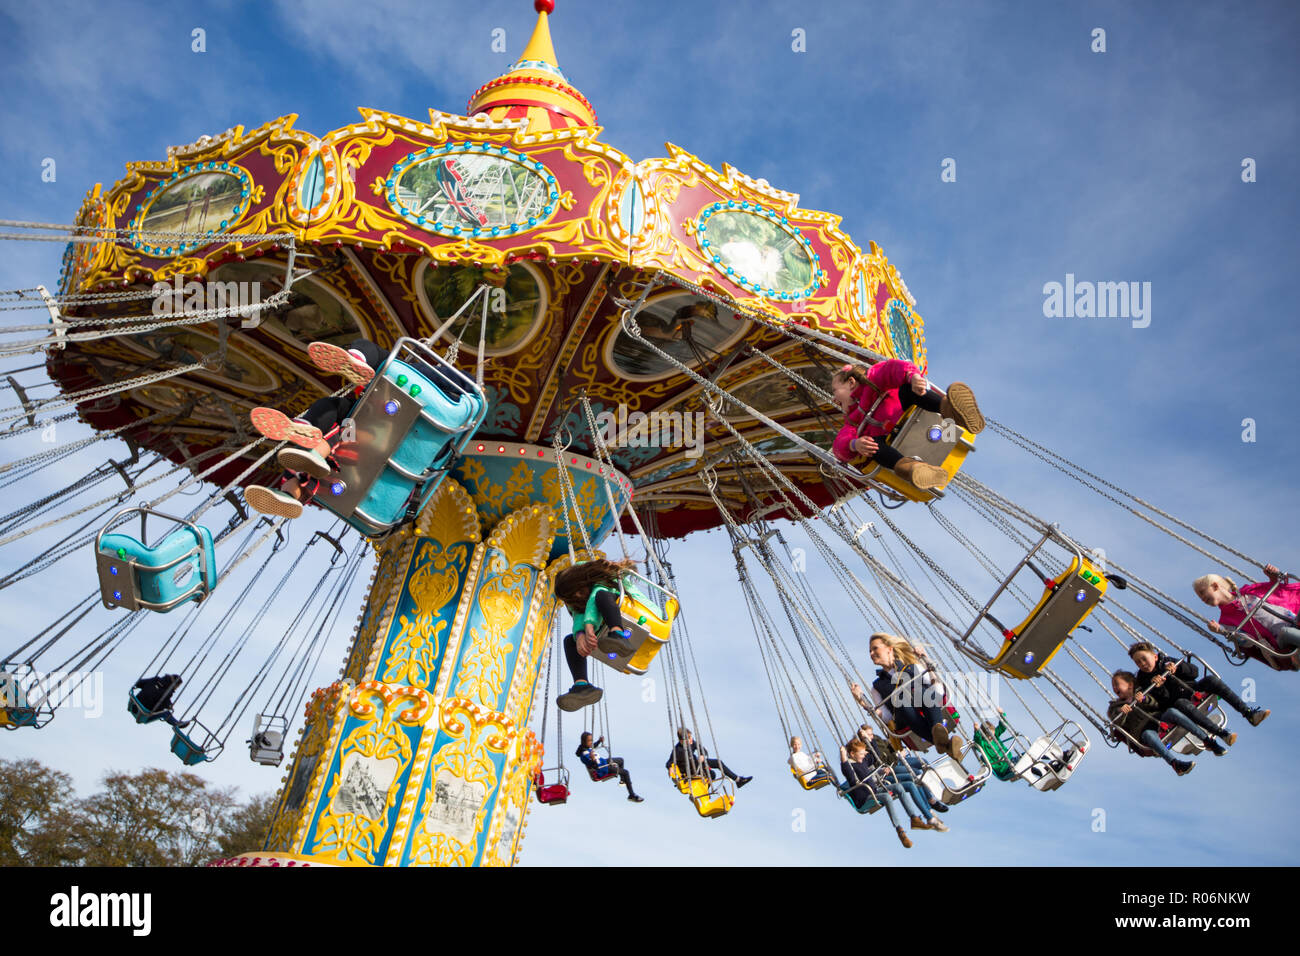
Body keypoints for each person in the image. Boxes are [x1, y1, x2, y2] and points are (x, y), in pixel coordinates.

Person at [245, 339, 383, 520]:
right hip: (354, 447)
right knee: (334, 414)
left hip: (370, 433)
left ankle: (358, 357)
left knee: (340, 418)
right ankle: (292, 489)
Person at [829, 361, 984, 491]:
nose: (833, 399)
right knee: (873, 447)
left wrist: (913, 376)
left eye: (834, 391)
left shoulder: (873, 380)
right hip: (890, 439)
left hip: (904, 411)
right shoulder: (852, 421)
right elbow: (839, 445)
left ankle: (954, 411)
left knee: (909, 389)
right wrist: (854, 444)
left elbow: (891, 369)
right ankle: (913, 469)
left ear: (851, 382)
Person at [851, 632, 965, 762]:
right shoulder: (877, 687)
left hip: (928, 704)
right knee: (901, 702)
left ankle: (942, 742)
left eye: (875, 648)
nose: (871, 653)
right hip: (906, 718)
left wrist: (925, 660)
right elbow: (886, 716)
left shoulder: (912, 667)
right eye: (870, 651)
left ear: (889, 649)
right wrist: (862, 701)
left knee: (919, 691)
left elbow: (937, 690)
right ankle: (942, 740)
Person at [551, 558, 641, 711]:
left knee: (601, 596)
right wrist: (579, 635)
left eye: (579, 592)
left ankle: (617, 634)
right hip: (604, 618)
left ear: (582, 580)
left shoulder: (607, 578)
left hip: (630, 607)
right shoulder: (582, 599)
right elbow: (579, 612)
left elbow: (596, 596)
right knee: (570, 641)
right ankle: (582, 685)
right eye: (574, 596)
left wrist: (589, 625)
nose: (579, 596)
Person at [1129, 641, 1268, 734]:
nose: (1142, 664)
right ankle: (1220, 733)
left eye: (1144, 659)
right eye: (1138, 663)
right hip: (1179, 702)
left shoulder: (1166, 661)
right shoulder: (1144, 680)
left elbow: (1194, 671)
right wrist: (1159, 687)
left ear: (1154, 656)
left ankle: (1248, 713)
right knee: (1181, 703)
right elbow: (1162, 703)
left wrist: (1178, 668)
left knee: (1211, 680)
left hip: (1193, 689)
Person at [1195, 563, 1300, 664]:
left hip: (1294, 621)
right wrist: (1222, 632)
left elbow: (1278, 592)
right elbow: (1248, 642)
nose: (1203, 599)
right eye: (1200, 598)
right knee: (1286, 632)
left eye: (1202, 592)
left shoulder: (1249, 592)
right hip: (1281, 639)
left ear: (1215, 586)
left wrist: (1274, 577)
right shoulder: (1226, 621)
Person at [857, 724, 948, 832]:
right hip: (891, 767)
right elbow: (882, 760)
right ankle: (928, 810)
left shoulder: (876, 738)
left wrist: (896, 749)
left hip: (897, 760)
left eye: (871, 734)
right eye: (868, 735)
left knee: (924, 763)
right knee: (916, 775)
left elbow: (888, 746)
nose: (871, 736)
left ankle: (930, 799)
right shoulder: (864, 748)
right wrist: (896, 755)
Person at [1106, 670, 1195, 775]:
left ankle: (1203, 734)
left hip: (1157, 720)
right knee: (1148, 735)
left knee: (1172, 712)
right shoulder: (1114, 707)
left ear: (1130, 685)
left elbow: (1156, 704)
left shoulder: (1142, 691)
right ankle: (1175, 763)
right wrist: (1122, 712)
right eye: (1113, 686)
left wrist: (1144, 699)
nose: (1115, 688)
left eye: (1117, 684)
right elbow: (1118, 722)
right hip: (1142, 729)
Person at [838, 738, 924, 848]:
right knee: (886, 797)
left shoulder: (862, 761)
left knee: (898, 786)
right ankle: (900, 830)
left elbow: (875, 755)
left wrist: (870, 739)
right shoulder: (850, 767)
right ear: (852, 754)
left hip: (874, 791)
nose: (864, 754)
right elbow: (846, 770)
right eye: (861, 753)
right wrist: (843, 755)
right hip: (864, 798)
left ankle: (914, 818)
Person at [666, 727, 752, 788]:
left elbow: (702, 749)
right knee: (712, 774)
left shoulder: (692, 743)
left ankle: (738, 780)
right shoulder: (677, 750)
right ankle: (705, 794)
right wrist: (670, 767)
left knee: (718, 763)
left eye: (691, 737)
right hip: (690, 771)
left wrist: (702, 755)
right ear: (682, 741)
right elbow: (669, 762)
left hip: (698, 764)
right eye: (689, 738)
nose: (691, 739)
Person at [575, 731, 643, 802]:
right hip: (603, 769)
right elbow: (595, 767)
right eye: (589, 741)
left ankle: (623, 780)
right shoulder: (584, 755)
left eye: (591, 740)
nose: (591, 742)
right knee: (625, 772)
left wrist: (599, 741)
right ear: (584, 741)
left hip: (603, 762)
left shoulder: (586, 747)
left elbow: (593, 746)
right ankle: (631, 795)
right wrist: (593, 759)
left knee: (621, 760)